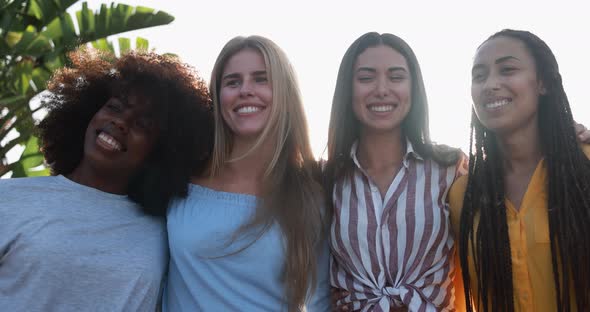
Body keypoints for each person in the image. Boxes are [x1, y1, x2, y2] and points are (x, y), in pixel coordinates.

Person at [0, 48, 213, 311]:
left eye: (143, 124)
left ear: (161, 152)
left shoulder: (168, 233)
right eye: (114, 107)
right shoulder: (9, 198)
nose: (121, 122)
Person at [163, 35, 331, 312]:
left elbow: (321, 300)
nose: (245, 90)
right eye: (232, 82)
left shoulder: (312, 196)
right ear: (218, 96)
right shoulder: (179, 181)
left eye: (261, 79)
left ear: (284, 94)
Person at [449, 29, 590, 311]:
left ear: (542, 83)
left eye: (507, 69)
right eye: (479, 75)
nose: (490, 84)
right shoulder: (463, 195)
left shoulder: (584, 167)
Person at [324, 32, 466, 311]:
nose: (381, 89)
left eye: (396, 77)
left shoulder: (451, 169)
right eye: (366, 78)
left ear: (413, 88)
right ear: (348, 90)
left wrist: (565, 139)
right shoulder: (325, 180)